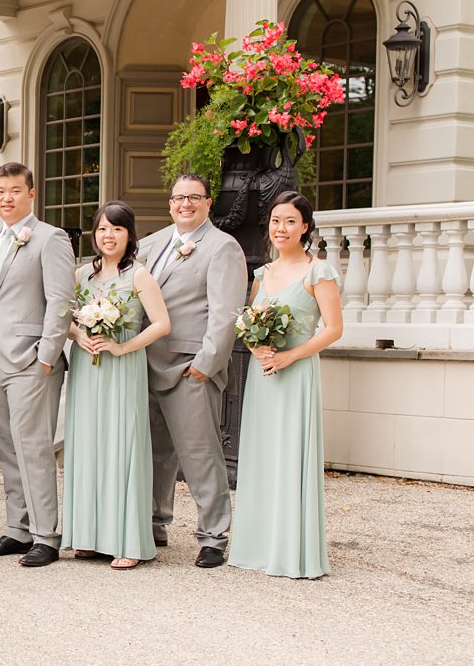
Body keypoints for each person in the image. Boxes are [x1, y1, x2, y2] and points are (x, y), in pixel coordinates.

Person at [0, 161, 75, 568]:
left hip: (31, 360)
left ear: (31, 193)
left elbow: (61, 300)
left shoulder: (51, 238)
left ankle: (46, 535)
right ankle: (18, 528)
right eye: (0, 191)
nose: (6, 198)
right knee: (7, 448)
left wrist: (46, 356)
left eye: (15, 190)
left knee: (34, 448)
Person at [136, 173, 247, 568]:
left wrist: (205, 366)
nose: (185, 204)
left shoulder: (222, 248)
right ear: (170, 203)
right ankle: (153, 524)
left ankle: (213, 536)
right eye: (179, 198)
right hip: (145, 363)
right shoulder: (151, 244)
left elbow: (226, 312)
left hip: (189, 368)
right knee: (154, 454)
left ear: (207, 202)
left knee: (200, 454)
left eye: (194, 198)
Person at [230, 191, 342, 579]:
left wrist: (290, 356)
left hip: (296, 373)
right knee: (262, 454)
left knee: (290, 454)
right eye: (276, 221)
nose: (281, 228)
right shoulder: (263, 274)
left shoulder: (319, 271)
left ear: (305, 226)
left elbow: (334, 330)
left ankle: (291, 549)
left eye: (290, 221)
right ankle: (258, 545)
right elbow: (247, 323)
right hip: (265, 375)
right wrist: (257, 347)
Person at [62, 201, 171, 570]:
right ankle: (89, 536)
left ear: (129, 235)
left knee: (121, 445)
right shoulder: (81, 276)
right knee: (89, 444)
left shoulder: (139, 276)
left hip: (122, 368)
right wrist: (78, 337)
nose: (109, 236)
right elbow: (66, 319)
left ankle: (126, 539)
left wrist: (123, 346)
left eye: (117, 229)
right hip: (87, 368)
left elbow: (161, 324)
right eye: (103, 229)